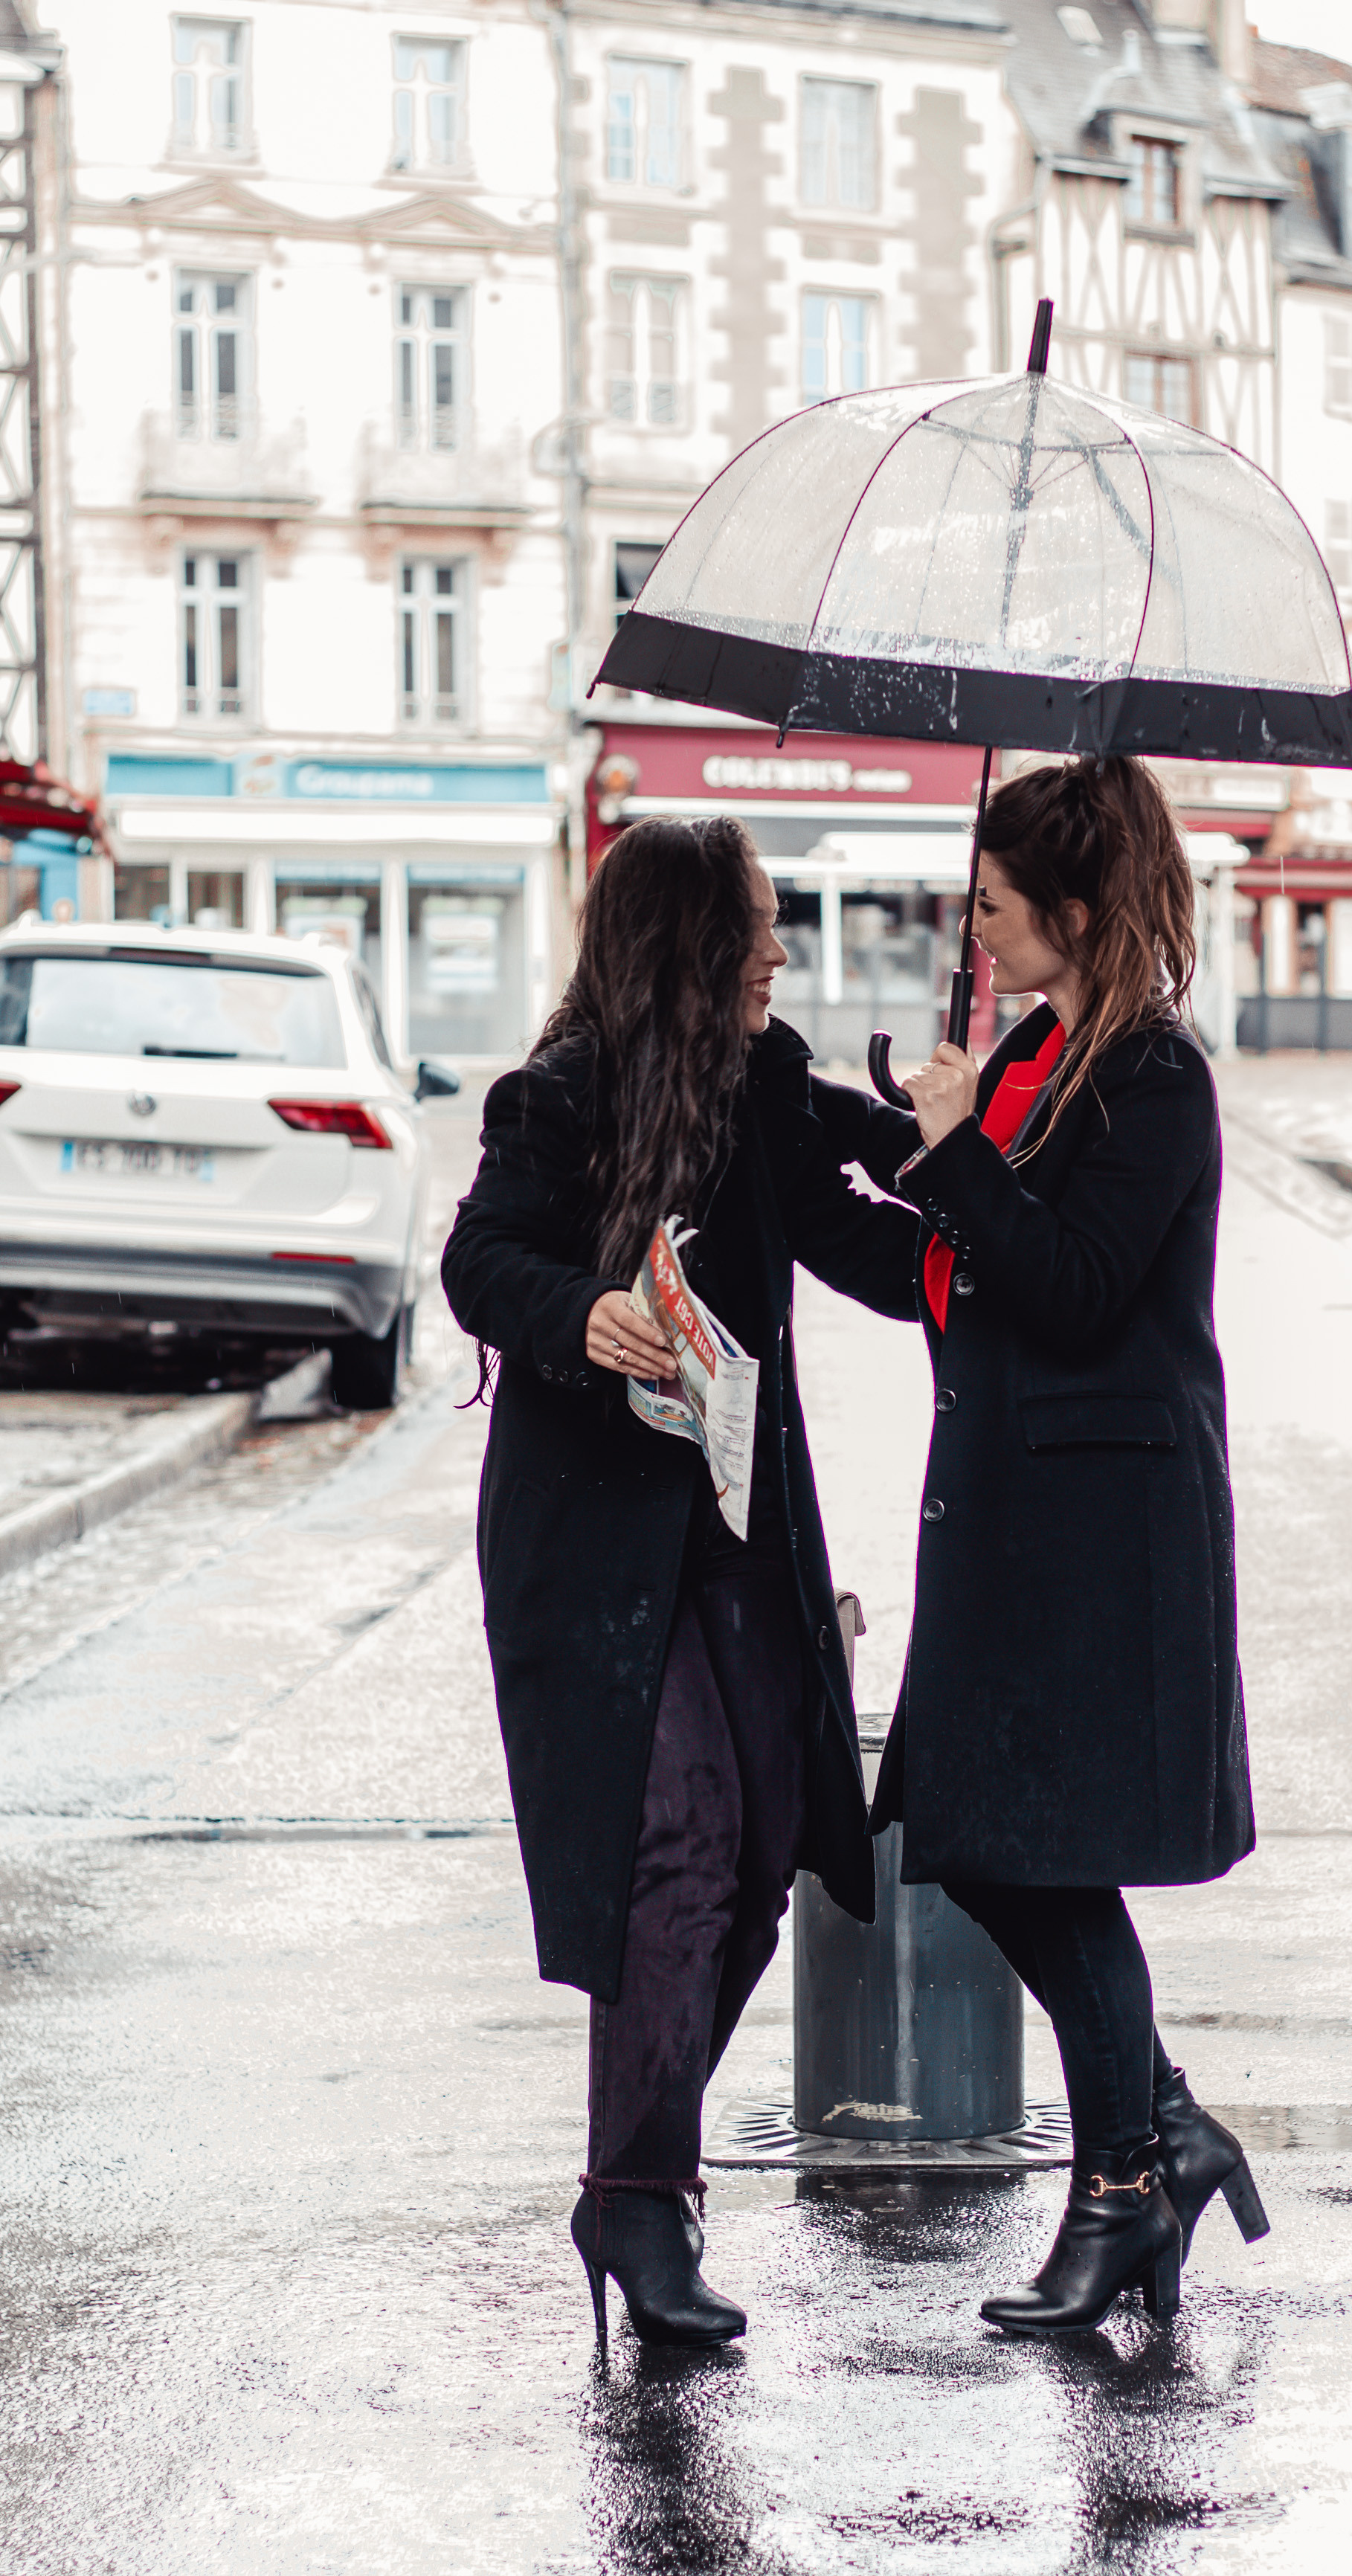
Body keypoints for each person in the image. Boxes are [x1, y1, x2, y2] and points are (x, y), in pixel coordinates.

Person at [441, 817, 918, 2349]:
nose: (778, 951)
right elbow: (478, 1259)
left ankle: (627, 2172)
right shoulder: (559, 1096)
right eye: (755, 927)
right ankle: (643, 2194)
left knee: (768, 1839)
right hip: (593, 1548)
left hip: (736, 1531)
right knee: (678, 1842)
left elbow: (862, 1233)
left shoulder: (762, 1086)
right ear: (688, 946)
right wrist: (581, 1312)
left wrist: (973, 1183)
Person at [820, 756, 1266, 2337]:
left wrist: (948, 1150)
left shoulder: (1152, 1078)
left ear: (1074, 908)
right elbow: (950, 1267)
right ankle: (1161, 2129)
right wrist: (813, 1140)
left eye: (997, 905)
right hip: (1007, 1519)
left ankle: (1122, 2186)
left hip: (1101, 1538)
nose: (978, 929)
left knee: (1035, 1850)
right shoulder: (1034, 1054)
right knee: (969, 1834)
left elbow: (1069, 1284)